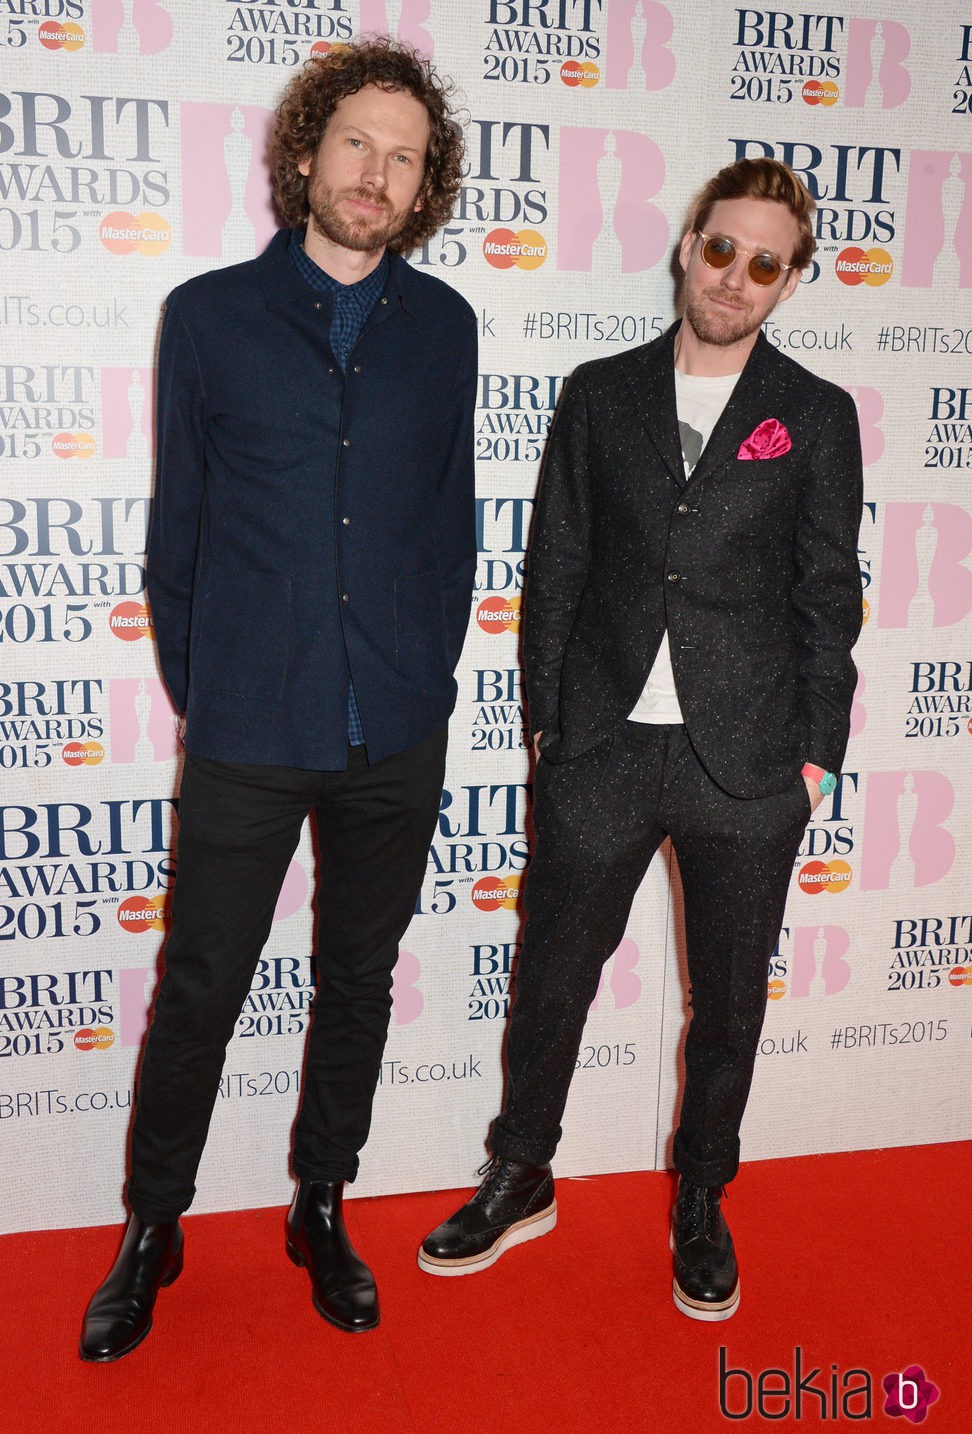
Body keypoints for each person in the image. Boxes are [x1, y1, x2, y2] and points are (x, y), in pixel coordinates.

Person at [80, 38, 477, 1362]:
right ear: (307, 152)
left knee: (357, 980)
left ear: (425, 189)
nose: (377, 171)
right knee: (201, 983)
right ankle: (155, 1223)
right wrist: (221, 694)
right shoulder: (207, 317)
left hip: (396, 729)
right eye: (357, 141)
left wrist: (422, 671)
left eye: (404, 155)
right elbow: (175, 540)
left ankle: (321, 1200)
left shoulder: (447, 330)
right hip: (252, 722)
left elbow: (447, 526)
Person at [419, 159, 863, 1322]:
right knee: (550, 974)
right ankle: (520, 1172)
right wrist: (548, 728)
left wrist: (816, 754)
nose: (733, 277)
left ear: (790, 280)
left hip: (749, 762)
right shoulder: (598, 391)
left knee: (727, 1004)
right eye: (720, 249)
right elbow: (553, 564)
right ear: (685, 246)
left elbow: (827, 591)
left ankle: (702, 1196)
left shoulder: (811, 414)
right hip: (602, 748)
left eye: (764, 263)